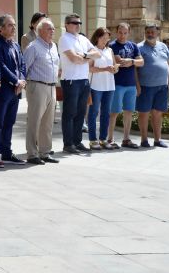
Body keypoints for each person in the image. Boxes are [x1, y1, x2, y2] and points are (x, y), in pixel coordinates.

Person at [58, 13, 101, 154]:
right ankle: (68, 144)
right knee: (69, 113)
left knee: (81, 113)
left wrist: (83, 56)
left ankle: (77, 141)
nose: (77, 25)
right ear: (67, 24)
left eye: (79, 23)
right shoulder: (64, 39)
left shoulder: (82, 38)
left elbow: (97, 53)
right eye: (74, 22)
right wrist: (86, 57)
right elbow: (73, 59)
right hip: (71, 80)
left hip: (83, 80)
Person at [0, 14, 26, 164]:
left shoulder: (15, 45)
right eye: (10, 25)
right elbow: (1, 66)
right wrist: (16, 81)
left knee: (10, 122)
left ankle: (6, 152)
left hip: (16, 90)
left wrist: (21, 81)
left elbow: (22, 64)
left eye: (14, 25)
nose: (13, 28)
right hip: (3, 90)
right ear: (1, 28)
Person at [23, 19, 60, 164]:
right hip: (37, 86)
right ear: (40, 31)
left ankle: (45, 152)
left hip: (52, 87)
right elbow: (24, 67)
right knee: (34, 121)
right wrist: (27, 87)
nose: (52, 31)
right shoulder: (33, 47)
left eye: (53, 29)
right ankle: (32, 154)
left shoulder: (53, 47)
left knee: (48, 122)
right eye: (49, 29)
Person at [107, 23, 144, 149]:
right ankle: (110, 139)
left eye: (125, 33)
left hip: (131, 85)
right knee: (114, 112)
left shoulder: (133, 46)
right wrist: (119, 61)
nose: (122, 35)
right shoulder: (111, 46)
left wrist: (131, 61)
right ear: (116, 32)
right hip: (117, 84)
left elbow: (141, 62)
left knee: (129, 112)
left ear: (129, 33)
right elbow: (113, 62)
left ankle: (126, 139)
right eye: (120, 32)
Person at [136, 25, 169, 148]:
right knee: (144, 113)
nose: (150, 34)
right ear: (145, 33)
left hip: (162, 87)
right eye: (147, 32)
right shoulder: (139, 47)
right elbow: (135, 70)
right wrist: (137, 85)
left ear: (157, 33)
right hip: (145, 86)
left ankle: (158, 140)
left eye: (152, 32)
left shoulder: (163, 46)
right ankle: (144, 140)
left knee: (158, 113)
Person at [87, 27, 119, 150]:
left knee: (106, 113)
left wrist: (115, 69)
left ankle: (103, 139)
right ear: (97, 37)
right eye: (103, 37)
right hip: (96, 86)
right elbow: (89, 68)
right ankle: (92, 140)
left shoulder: (109, 50)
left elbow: (115, 68)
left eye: (107, 38)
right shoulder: (92, 50)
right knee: (94, 112)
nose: (105, 40)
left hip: (110, 86)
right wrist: (105, 69)